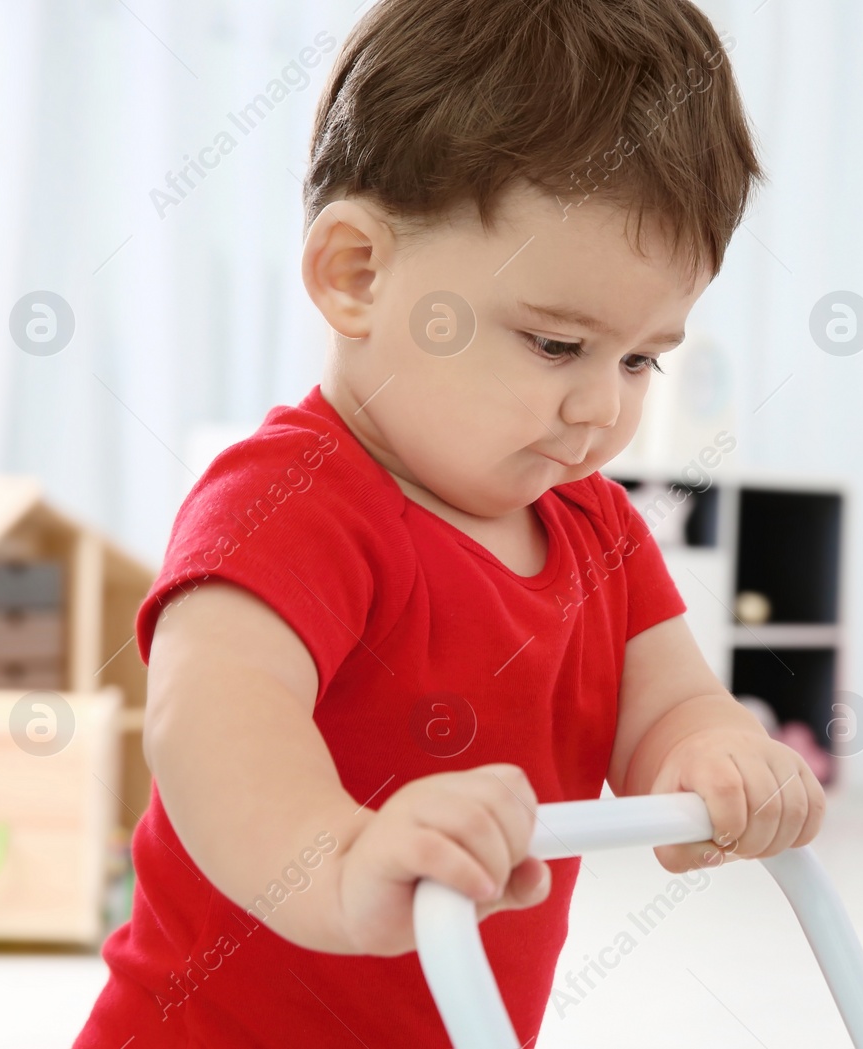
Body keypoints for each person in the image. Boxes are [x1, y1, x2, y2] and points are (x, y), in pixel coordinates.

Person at [76, 0, 825, 1044]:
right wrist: (336, 856)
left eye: (642, 358)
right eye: (558, 345)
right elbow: (209, 723)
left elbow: (668, 709)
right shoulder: (287, 503)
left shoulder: (599, 533)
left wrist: (717, 756)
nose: (603, 407)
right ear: (358, 274)